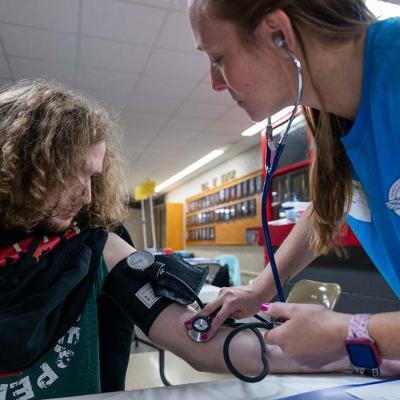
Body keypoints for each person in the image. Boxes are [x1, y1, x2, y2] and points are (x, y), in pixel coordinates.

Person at [0, 80, 348, 400]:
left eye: (94, 176)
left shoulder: (99, 248)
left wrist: (353, 351)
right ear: (30, 164)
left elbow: (201, 345)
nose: (88, 197)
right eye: (76, 172)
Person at [187, 0, 400, 373]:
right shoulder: (334, 113)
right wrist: (259, 291)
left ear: (279, 35)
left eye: (218, 58)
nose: (216, 83)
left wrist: (350, 331)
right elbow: (331, 206)